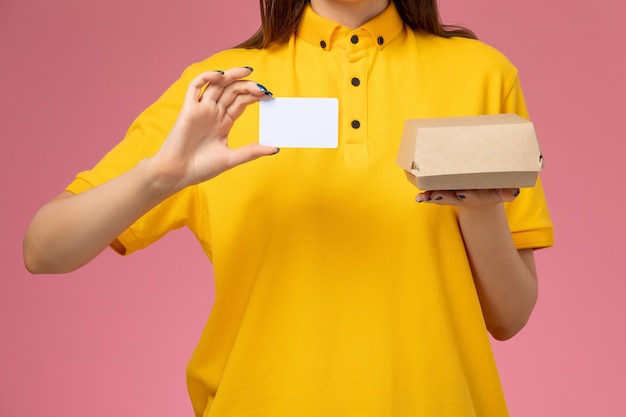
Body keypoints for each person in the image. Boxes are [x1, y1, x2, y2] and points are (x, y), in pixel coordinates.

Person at [23, 0, 554, 416]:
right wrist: (160, 176)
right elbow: (44, 249)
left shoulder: (481, 75)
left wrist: (480, 206)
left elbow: (509, 315)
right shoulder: (222, 89)